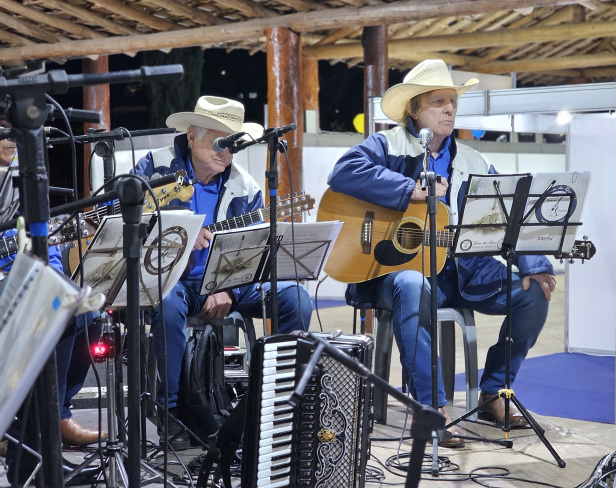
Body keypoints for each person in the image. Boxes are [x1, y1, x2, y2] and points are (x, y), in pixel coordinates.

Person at [328, 59, 555, 447]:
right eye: (438, 101)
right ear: (414, 109)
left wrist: (534, 263)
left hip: (463, 272)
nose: (449, 108)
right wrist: (408, 191)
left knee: (534, 292)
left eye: (452, 101)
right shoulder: (387, 145)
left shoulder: (472, 160)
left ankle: (494, 392)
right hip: (394, 273)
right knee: (413, 284)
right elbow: (343, 173)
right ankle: (430, 408)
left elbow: (508, 216)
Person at [134, 96, 312, 449]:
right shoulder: (154, 166)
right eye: (220, 143)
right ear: (192, 135)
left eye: (234, 145)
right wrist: (176, 235)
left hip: (229, 281)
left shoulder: (246, 186)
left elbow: (253, 252)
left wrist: (229, 289)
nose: (227, 152)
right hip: (171, 279)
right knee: (168, 305)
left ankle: (279, 404)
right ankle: (171, 412)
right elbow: (126, 220)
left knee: (296, 298)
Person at [0, 116, 106, 476]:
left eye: (15, 128)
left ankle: (50, 418)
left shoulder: (28, 174)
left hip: (25, 280)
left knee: (85, 313)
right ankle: (34, 437)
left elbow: (50, 241)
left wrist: (56, 279)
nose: (11, 136)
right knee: (55, 311)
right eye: (2, 127)